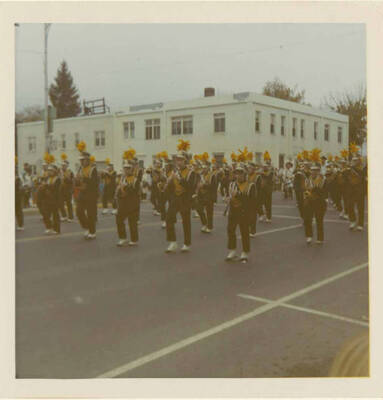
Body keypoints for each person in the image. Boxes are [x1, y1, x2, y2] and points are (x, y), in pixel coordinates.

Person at [165, 151, 197, 253]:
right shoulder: (175, 171)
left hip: (185, 198)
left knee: (185, 221)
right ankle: (173, 242)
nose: (178, 162)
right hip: (175, 197)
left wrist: (179, 179)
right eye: (177, 160)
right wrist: (167, 184)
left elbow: (191, 187)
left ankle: (187, 243)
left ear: (185, 161)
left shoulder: (191, 172)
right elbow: (171, 187)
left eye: (181, 160)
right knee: (169, 218)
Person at [225, 164, 256, 263]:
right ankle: (232, 250)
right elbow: (229, 195)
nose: (238, 175)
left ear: (245, 174)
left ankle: (245, 252)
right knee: (230, 230)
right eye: (236, 173)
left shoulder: (251, 185)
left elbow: (251, 201)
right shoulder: (232, 184)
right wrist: (228, 199)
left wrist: (238, 195)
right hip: (233, 210)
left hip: (244, 211)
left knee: (244, 232)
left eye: (240, 173)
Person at [115, 160, 142, 246]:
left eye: (128, 169)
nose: (126, 170)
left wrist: (126, 188)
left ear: (132, 170)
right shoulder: (122, 179)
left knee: (132, 222)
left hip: (133, 204)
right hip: (123, 203)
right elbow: (119, 191)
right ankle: (123, 238)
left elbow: (135, 191)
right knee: (119, 219)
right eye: (125, 168)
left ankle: (134, 239)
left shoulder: (136, 180)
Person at [75, 151, 98, 239]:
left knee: (90, 213)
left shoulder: (93, 169)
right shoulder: (80, 169)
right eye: (80, 160)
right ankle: (86, 227)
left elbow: (94, 182)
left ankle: (92, 232)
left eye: (83, 160)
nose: (81, 162)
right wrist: (76, 181)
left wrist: (84, 179)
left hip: (90, 193)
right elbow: (78, 181)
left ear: (87, 160)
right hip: (82, 192)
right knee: (78, 211)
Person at [302, 164, 328, 245]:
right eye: (312, 170)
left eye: (315, 170)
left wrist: (317, 195)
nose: (313, 172)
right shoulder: (307, 180)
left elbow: (325, 192)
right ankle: (309, 236)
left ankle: (320, 238)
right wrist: (306, 196)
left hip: (319, 202)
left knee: (319, 220)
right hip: (309, 201)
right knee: (307, 219)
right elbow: (304, 190)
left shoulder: (323, 180)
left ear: (318, 171)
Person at [195, 158, 216, 233]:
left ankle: (210, 226)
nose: (203, 169)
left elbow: (214, 186)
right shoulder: (200, 175)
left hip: (209, 196)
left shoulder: (212, 175)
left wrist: (204, 185)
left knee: (209, 212)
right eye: (203, 167)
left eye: (205, 167)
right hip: (201, 195)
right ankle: (204, 223)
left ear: (208, 168)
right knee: (198, 208)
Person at [347, 155, 366, 231]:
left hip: (360, 191)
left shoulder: (363, 170)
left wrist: (364, 192)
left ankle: (360, 224)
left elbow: (365, 181)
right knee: (349, 206)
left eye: (356, 160)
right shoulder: (349, 170)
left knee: (360, 208)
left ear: (359, 161)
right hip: (351, 191)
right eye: (353, 160)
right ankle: (352, 220)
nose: (354, 162)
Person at [42, 164, 61, 235]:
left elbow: (56, 189)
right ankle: (49, 227)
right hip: (47, 199)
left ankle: (56, 229)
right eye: (48, 171)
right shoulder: (48, 178)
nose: (49, 172)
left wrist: (47, 186)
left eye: (51, 171)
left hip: (55, 199)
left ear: (55, 171)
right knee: (45, 213)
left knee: (55, 215)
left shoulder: (57, 179)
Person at [15, 163, 24, 231]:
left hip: (17, 196)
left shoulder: (18, 178)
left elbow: (21, 187)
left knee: (18, 211)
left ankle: (20, 225)